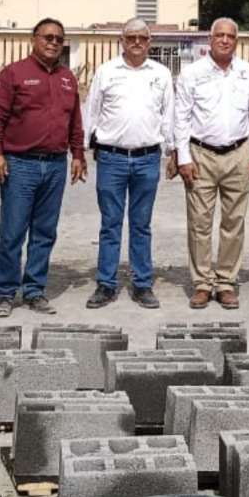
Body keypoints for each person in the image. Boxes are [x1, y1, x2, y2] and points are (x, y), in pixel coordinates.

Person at [0, 17, 86, 317]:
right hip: (20, 165)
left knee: (44, 232)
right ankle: (5, 293)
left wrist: (77, 154)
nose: (53, 43)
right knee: (12, 232)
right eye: (48, 37)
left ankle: (34, 290)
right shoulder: (14, 73)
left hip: (55, 166)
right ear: (34, 39)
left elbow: (75, 120)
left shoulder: (68, 78)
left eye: (59, 39)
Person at [175, 17, 249, 310]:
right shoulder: (192, 73)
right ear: (210, 39)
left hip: (238, 153)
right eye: (220, 35)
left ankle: (226, 282)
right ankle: (202, 283)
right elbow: (181, 117)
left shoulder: (247, 72)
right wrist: (183, 157)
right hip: (200, 154)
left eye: (230, 36)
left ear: (236, 41)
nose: (225, 40)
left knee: (234, 222)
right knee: (199, 223)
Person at [83, 18, 174, 310]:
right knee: (110, 223)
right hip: (111, 158)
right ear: (122, 40)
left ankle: (142, 284)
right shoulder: (106, 71)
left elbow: (168, 116)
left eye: (142, 38)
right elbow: (91, 112)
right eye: (131, 37)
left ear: (150, 42)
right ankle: (106, 284)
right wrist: (81, 151)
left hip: (148, 158)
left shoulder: (161, 74)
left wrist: (172, 152)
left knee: (141, 224)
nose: (136, 42)